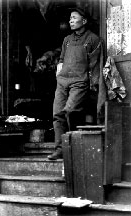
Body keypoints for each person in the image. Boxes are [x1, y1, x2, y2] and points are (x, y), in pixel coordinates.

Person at [47, 7, 102, 160]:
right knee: (57, 114)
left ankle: (73, 148)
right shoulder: (67, 40)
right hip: (62, 82)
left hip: (79, 82)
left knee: (70, 111)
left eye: (74, 18)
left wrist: (93, 85)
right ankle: (60, 150)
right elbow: (62, 60)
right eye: (70, 18)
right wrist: (59, 74)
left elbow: (95, 64)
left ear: (84, 21)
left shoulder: (93, 39)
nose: (70, 20)